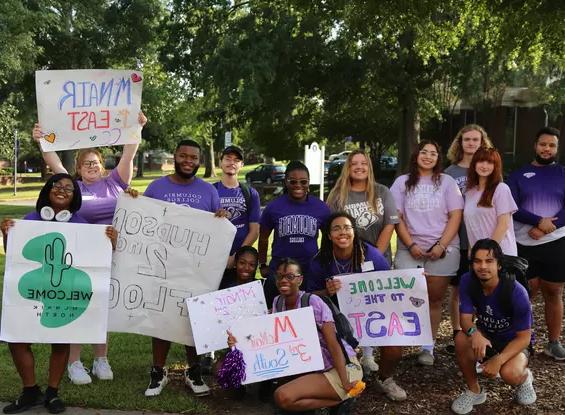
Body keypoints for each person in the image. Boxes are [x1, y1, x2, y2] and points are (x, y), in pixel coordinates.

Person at [32, 112, 147, 385]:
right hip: (76, 255)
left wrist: (137, 126)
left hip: (111, 253)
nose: (91, 166)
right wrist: (41, 139)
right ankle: (74, 363)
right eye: (86, 163)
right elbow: (53, 160)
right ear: (79, 168)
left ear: (102, 165)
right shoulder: (73, 187)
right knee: (76, 305)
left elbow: (129, 153)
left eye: (95, 162)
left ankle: (100, 359)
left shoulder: (116, 183)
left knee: (101, 308)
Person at [1, 174, 117, 414]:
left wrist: (110, 243)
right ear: (48, 189)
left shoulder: (82, 225)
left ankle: (52, 393)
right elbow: (15, 255)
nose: (63, 190)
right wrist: (6, 234)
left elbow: (96, 259)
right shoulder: (31, 220)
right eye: (58, 185)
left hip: (65, 292)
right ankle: (30, 391)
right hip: (32, 291)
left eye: (69, 188)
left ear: (75, 198)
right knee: (16, 340)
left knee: (62, 339)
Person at [142, 139, 224, 397]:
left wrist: (222, 219)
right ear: (175, 156)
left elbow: (215, 228)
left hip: (195, 269)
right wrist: (133, 199)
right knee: (161, 318)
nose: (189, 161)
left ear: (199, 161)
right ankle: (158, 371)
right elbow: (143, 220)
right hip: (162, 265)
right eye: (183, 156)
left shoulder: (208, 191)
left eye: (194, 158)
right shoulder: (156, 187)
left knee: (194, 320)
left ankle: (194, 370)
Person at [228, 258, 363, 413]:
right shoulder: (278, 303)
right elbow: (267, 338)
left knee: (282, 396)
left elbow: (334, 345)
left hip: (338, 367)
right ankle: (331, 403)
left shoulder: (313, 302)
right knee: (283, 400)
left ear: (300, 280)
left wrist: (345, 381)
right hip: (310, 366)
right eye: (279, 276)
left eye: (290, 277)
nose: (283, 280)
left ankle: (343, 397)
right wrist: (238, 340)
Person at [307, 212, 406, 401]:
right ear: (328, 235)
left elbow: (389, 283)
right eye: (336, 228)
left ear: (354, 232)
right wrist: (326, 291)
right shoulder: (320, 262)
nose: (342, 232)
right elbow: (309, 296)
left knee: (394, 344)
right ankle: (338, 379)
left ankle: (385, 379)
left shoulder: (371, 255)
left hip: (370, 315)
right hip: (335, 319)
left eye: (347, 227)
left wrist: (415, 283)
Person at [390, 140, 463, 366]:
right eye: (424, 152)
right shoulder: (402, 182)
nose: (428, 157)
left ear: (438, 158)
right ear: (416, 155)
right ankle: (397, 347)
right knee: (403, 299)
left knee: (435, 299)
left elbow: (456, 215)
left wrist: (440, 245)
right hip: (409, 248)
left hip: (444, 249)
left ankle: (427, 348)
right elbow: (396, 217)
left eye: (433, 153)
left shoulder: (447, 182)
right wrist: (411, 245)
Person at [326, 150, 399, 374]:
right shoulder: (338, 195)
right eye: (354, 163)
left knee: (374, 307)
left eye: (363, 163)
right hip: (347, 261)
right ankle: (351, 354)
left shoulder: (382, 192)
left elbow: (389, 224)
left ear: (369, 167)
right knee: (352, 309)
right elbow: (332, 226)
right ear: (348, 167)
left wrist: (374, 254)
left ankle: (369, 354)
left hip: (376, 258)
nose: (359, 167)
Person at [451, 239, 536, 414]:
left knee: (510, 374)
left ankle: (525, 378)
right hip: (486, 335)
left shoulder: (516, 292)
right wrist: (474, 333)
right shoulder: (467, 280)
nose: (482, 266)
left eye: (489, 261)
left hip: (513, 342)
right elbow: (465, 319)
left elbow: (524, 338)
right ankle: (475, 391)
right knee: (461, 338)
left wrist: (499, 359)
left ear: (499, 265)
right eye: (477, 261)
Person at [506, 126, 565, 361]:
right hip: (525, 242)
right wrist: (538, 221)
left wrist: (550, 226)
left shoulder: (562, 173)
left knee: (554, 291)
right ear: (535, 145)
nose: (547, 149)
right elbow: (511, 206)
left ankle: (554, 342)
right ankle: (521, 342)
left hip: (556, 241)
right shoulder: (518, 175)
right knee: (525, 292)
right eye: (543, 144)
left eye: (552, 145)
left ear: (557, 148)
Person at [445, 125, 494, 351]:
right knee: (457, 288)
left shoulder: (488, 170)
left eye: (476, 140)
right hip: (458, 239)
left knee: (483, 287)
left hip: (481, 239)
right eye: (467, 140)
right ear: (460, 142)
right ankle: (458, 332)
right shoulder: (450, 173)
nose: (472, 144)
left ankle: (482, 332)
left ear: (483, 142)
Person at [258, 161, 331, 304]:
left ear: (309, 182)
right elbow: (263, 237)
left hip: (309, 270)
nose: (298, 185)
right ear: (286, 182)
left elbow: (328, 237)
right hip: (281, 271)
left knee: (309, 309)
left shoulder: (321, 208)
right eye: (293, 181)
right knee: (279, 309)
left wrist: (324, 260)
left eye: (303, 182)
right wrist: (262, 264)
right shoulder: (274, 207)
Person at [464, 148, 518, 255]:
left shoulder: (501, 189)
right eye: (481, 161)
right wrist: (472, 252)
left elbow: (503, 225)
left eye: (489, 162)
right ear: (474, 164)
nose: (484, 166)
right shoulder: (469, 192)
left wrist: (488, 252)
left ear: (495, 166)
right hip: (478, 256)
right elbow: (471, 227)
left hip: (500, 254)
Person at [214, 146, 261, 267]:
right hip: (213, 257)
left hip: (240, 261)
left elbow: (254, 231)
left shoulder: (250, 193)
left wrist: (236, 257)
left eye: (236, 160)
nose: (232, 163)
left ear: (242, 164)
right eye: (228, 159)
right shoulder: (210, 191)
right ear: (220, 162)